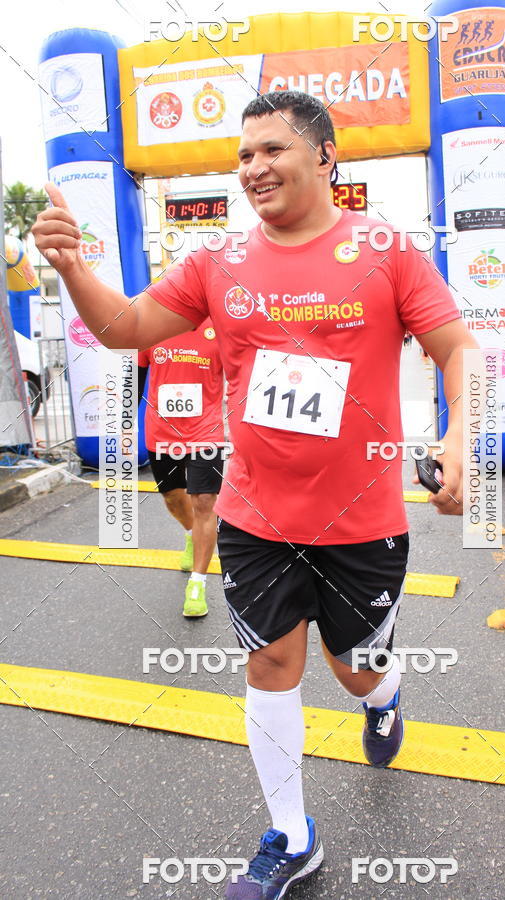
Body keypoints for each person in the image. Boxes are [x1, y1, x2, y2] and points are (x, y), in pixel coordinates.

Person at [33, 90, 478, 899]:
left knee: (353, 668)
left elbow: (458, 350)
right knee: (271, 663)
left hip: (362, 523)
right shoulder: (219, 262)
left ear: (325, 158)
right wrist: (71, 267)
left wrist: (455, 439)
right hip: (255, 517)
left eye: (272, 149)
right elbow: (127, 327)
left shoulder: (386, 250)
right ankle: (293, 836)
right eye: (243, 155)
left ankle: (385, 693)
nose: (254, 167)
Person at [137, 324, 225, 616]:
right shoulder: (153, 323)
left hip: (206, 432)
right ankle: (191, 533)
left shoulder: (220, 325)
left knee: (204, 502)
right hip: (161, 432)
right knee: (173, 499)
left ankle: (197, 583)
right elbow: (135, 378)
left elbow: (242, 375)